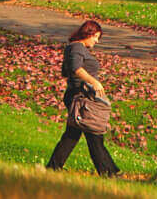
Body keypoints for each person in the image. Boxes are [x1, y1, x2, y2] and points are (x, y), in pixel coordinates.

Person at [45, 19, 120, 177]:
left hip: (81, 95)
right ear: (88, 33)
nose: (96, 41)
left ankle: (53, 167)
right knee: (93, 134)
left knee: (73, 135)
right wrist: (94, 82)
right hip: (80, 97)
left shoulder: (76, 48)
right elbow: (75, 68)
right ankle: (108, 172)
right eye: (96, 37)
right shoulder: (76, 48)